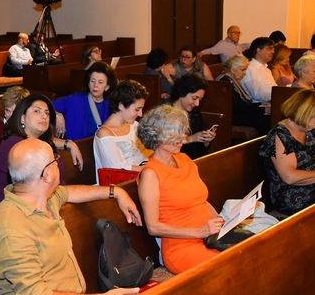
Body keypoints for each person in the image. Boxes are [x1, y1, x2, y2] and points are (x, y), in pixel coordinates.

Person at [0, 138, 142, 295]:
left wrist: (116, 192)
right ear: (47, 174)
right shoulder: (12, 225)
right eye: (55, 159)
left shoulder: (41, 197)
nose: (59, 163)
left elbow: (69, 192)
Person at [137, 105, 224, 274]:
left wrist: (222, 221)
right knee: (227, 266)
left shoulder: (184, 159)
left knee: (253, 249)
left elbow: (201, 200)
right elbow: (153, 227)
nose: (184, 141)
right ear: (159, 138)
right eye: (177, 138)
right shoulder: (150, 173)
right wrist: (199, 231)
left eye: (183, 135)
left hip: (209, 236)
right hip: (182, 247)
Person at [0, 94, 83, 205]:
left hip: (52, 203)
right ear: (22, 118)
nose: (44, 116)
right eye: (37, 111)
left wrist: (69, 144)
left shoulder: (44, 142)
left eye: (47, 113)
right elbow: (31, 191)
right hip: (21, 211)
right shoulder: (14, 145)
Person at [93, 80, 149, 183]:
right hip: (118, 187)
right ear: (121, 106)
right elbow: (118, 169)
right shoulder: (104, 134)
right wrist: (153, 170)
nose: (141, 114)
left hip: (141, 179)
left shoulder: (134, 125)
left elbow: (148, 152)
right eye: (137, 109)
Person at [54, 62, 117, 140]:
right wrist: (57, 115)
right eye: (93, 81)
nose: (95, 85)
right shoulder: (75, 99)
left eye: (100, 82)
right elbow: (47, 106)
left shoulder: (112, 104)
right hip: (77, 147)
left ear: (107, 86)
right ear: (88, 83)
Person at [215, 55, 270, 136]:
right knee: (266, 119)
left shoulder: (234, 80)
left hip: (238, 114)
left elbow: (243, 105)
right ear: (233, 70)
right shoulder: (225, 82)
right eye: (243, 70)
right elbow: (237, 107)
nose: (245, 73)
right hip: (231, 118)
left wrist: (261, 104)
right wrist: (263, 109)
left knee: (268, 117)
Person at [171, 74, 215, 160]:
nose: (197, 104)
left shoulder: (196, 115)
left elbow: (198, 153)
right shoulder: (165, 115)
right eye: (194, 98)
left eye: (200, 99)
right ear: (182, 92)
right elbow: (163, 147)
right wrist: (190, 139)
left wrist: (205, 141)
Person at [0, 86, 30, 156]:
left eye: (15, 112)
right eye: (7, 110)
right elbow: (2, 156)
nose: (11, 116)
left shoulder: (30, 123)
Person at [241, 37, 276, 103]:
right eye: (269, 49)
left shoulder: (267, 70)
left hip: (271, 103)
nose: (273, 51)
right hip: (257, 108)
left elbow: (274, 88)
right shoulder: (249, 69)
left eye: (273, 49)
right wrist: (277, 95)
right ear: (259, 50)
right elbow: (256, 94)